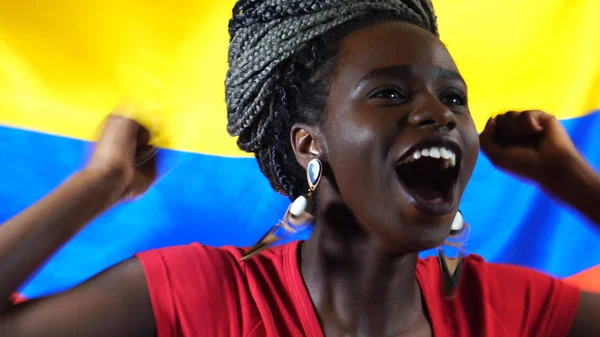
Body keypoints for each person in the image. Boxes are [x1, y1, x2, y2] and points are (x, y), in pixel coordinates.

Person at [0, 0, 599, 336]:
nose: (438, 114)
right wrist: (96, 185)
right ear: (311, 145)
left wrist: (571, 181)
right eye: (390, 93)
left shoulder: (497, 313)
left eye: (454, 98)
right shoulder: (206, 297)